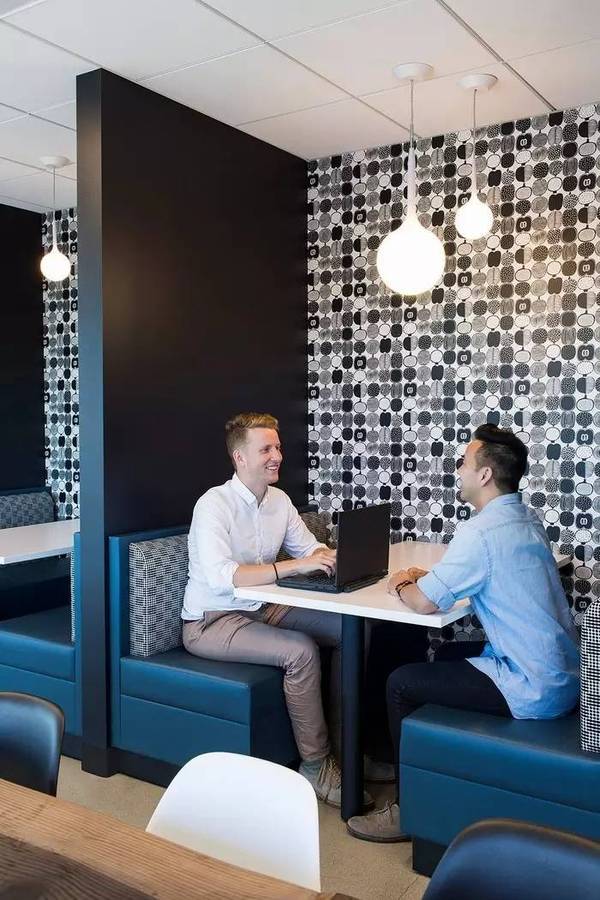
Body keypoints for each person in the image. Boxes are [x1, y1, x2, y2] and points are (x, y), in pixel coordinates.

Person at [347, 423, 580, 842]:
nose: (458, 470)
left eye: (463, 463)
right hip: (562, 672)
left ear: (485, 474)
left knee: (400, 682)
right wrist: (431, 578)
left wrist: (401, 582)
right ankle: (393, 762)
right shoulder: (526, 519)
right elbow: (483, 573)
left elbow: (424, 603)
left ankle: (407, 808)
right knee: (438, 655)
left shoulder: (479, 532)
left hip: (529, 685)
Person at [181, 412, 387, 808]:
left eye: (277, 447)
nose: (277, 456)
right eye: (266, 449)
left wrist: (339, 558)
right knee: (301, 651)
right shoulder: (213, 505)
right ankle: (316, 765)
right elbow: (225, 578)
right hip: (213, 620)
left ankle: (347, 751)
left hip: (264, 606)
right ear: (240, 458)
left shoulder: (279, 501)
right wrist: (293, 567)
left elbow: (309, 548)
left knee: (353, 629)